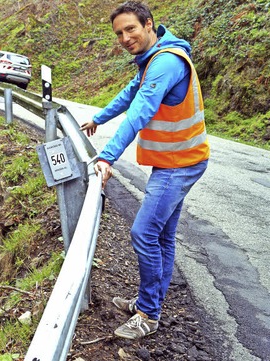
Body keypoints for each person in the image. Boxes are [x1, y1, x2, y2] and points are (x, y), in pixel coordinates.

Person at [80, 1, 210, 340]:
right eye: (119, 33)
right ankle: (149, 302)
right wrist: (98, 118)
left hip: (179, 165)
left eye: (131, 29)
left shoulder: (165, 63)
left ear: (148, 24)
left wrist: (106, 157)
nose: (124, 37)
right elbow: (129, 94)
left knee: (143, 234)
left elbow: (140, 111)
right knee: (161, 236)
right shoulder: (154, 57)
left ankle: (148, 315)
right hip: (178, 160)